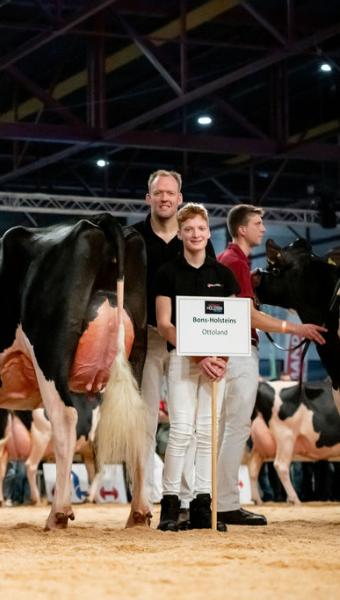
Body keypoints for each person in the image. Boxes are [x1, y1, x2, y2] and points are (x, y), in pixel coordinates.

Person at [215, 204, 326, 526]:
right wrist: (295, 328)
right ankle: (225, 504)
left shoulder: (235, 261)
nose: (263, 229)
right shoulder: (234, 261)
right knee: (234, 429)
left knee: (229, 429)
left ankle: (222, 500)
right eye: (257, 223)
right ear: (241, 230)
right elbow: (247, 315)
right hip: (238, 350)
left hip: (234, 350)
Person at [154, 203, 238, 532]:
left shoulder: (223, 275)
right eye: (188, 229)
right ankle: (171, 505)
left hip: (218, 365)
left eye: (201, 229)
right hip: (182, 362)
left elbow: (234, 324)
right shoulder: (167, 274)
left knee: (207, 434)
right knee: (180, 432)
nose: (195, 234)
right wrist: (200, 355)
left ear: (208, 231)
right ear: (179, 233)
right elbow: (164, 324)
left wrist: (221, 358)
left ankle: (204, 506)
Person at [134, 170, 214, 517]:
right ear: (148, 197)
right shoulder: (132, 238)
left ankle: (184, 498)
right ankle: (141, 499)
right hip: (148, 339)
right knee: (146, 423)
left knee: (188, 423)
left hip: (188, 343)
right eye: (158, 192)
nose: (165, 197)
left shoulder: (196, 240)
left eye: (170, 192)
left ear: (180, 198)